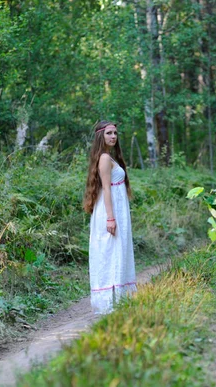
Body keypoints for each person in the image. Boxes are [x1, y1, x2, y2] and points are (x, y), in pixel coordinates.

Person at [83, 121, 136, 314]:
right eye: (109, 133)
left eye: (115, 133)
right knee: (111, 252)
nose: (113, 136)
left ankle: (119, 298)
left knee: (118, 252)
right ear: (101, 136)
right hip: (110, 212)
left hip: (117, 210)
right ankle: (110, 301)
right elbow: (106, 189)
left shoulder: (108, 157)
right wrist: (111, 218)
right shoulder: (104, 158)